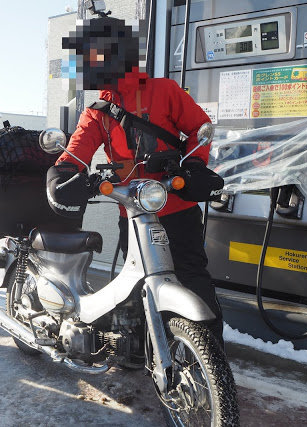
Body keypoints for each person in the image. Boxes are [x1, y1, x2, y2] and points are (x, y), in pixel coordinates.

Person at [52, 17, 225, 347]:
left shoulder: (164, 90)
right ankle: (146, 353)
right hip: (130, 215)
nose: (87, 62)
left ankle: (211, 359)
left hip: (177, 206)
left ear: (116, 51)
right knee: (136, 285)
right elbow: (76, 152)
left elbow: (199, 130)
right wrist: (60, 175)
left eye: (91, 54)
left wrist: (195, 169)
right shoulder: (97, 111)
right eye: (84, 56)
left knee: (192, 279)